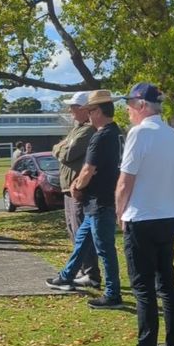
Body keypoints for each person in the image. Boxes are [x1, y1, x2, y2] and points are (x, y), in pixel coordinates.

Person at [112, 83, 174, 346]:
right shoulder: (171, 133)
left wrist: (120, 212)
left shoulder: (139, 133)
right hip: (168, 216)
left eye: (130, 104)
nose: (128, 110)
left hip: (142, 217)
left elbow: (125, 180)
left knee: (143, 288)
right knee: (167, 283)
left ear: (142, 105)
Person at [62, 91, 126, 308]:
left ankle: (113, 293)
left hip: (100, 199)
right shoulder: (117, 132)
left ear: (98, 111)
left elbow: (88, 169)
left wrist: (77, 186)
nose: (87, 115)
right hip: (103, 198)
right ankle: (66, 275)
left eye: (90, 110)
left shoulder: (100, 136)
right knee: (82, 239)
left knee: (105, 248)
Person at [48, 92, 103, 291]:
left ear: (83, 108)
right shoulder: (77, 129)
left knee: (81, 231)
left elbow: (68, 153)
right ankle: (82, 270)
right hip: (68, 189)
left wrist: (60, 149)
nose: (70, 110)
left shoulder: (88, 130)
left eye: (73, 107)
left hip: (79, 189)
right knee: (73, 229)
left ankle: (90, 272)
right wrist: (60, 148)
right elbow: (60, 147)